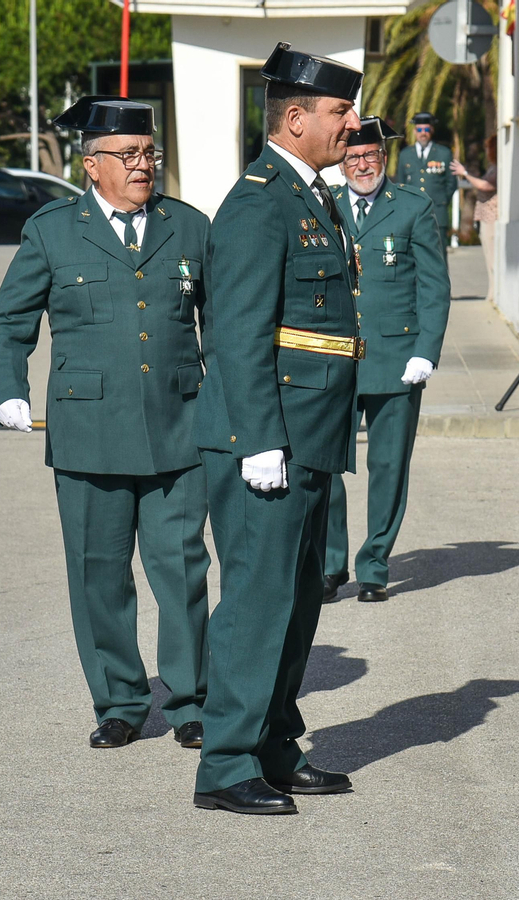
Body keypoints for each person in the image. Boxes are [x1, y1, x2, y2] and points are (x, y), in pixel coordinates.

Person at [0, 98, 213, 753]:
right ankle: (120, 702)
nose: (143, 165)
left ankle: (192, 701)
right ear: (92, 165)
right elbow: (8, 321)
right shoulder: (54, 231)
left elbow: (223, 325)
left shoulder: (188, 227)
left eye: (150, 153)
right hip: (89, 434)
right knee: (99, 575)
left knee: (182, 571)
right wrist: (8, 391)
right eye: (128, 154)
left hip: (178, 428)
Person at [190, 43, 364, 815]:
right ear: (295, 119)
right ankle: (226, 764)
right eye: (339, 111)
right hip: (266, 439)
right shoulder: (260, 202)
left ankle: (273, 747)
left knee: (296, 605)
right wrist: (260, 439)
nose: (351, 124)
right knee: (258, 604)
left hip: (309, 433)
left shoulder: (309, 195)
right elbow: (237, 332)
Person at [323, 117, 450, 604]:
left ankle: (374, 564)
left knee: (389, 465)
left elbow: (434, 286)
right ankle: (330, 564)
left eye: (369, 156)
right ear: (341, 162)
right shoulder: (325, 204)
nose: (362, 165)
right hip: (334, 357)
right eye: (353, 157)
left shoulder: (413, 207)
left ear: (383, 157)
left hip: (396, 357)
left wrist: (426, 351)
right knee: (324, 464)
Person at [393, 112, 457, 251]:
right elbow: (401, 183)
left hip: (437, 212)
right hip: (412, 213)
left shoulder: (444, 153)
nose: (423, 133)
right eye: (420, 129)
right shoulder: (405, 154)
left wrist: (442, 201)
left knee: (439, 253)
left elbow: (451, 183)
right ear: (415, 131)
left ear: (431, 130)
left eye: (426, 129)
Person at [451, 136, 497, 301]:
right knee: (488, 256)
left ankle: (494, 292)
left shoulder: (497, 169)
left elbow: (485, 185)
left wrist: (465, 173)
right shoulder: (492, 168)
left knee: (493, 257)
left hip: (493, 217)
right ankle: (492, 290)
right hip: (485, 217)